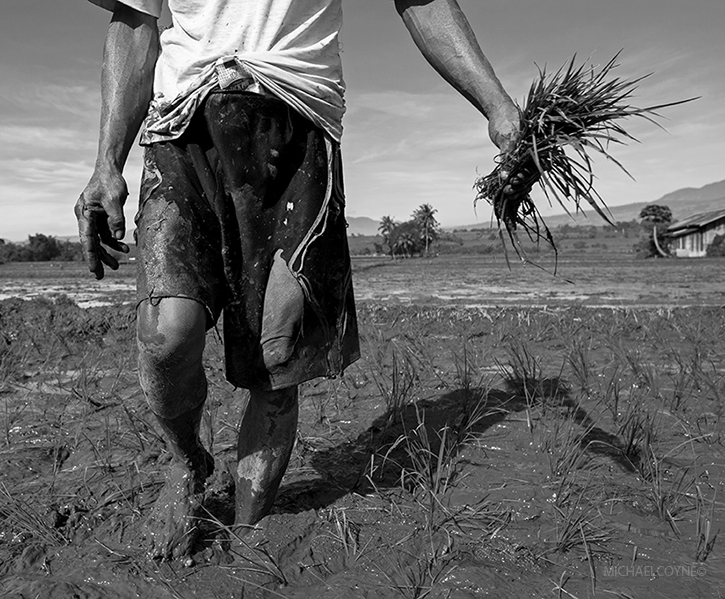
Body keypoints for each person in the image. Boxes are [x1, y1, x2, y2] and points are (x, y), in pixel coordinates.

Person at [75, 0, 520, 560]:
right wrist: (106, 163)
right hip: (182, 127)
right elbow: (136, 22)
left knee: (277, 359)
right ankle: (189, 462)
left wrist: (496, 103)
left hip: (297, 129)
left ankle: (247, 539)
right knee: (166, 335)